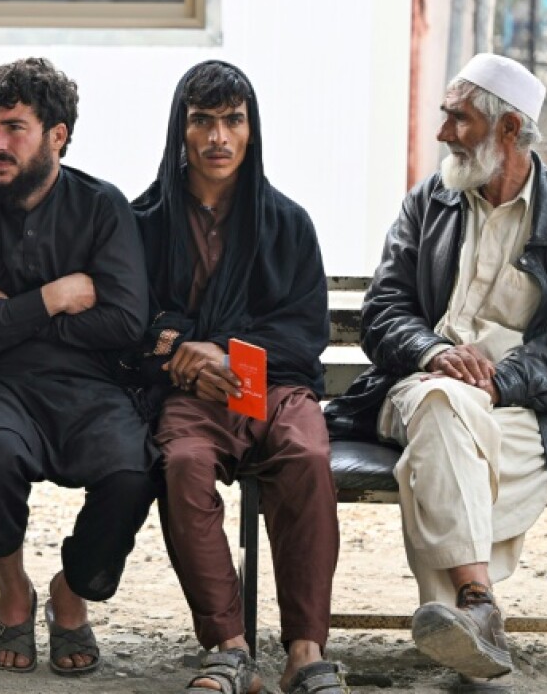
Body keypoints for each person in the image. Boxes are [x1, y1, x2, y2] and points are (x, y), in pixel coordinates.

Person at [326, 53, 547, 682]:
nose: (442, 133)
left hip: (520, 410)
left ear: (509, 130)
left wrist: (502, 379)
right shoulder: (431, 201)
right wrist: (433, 352)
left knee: (441, 447)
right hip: (416, 388)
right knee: (438, 403)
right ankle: (479, 605)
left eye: (458, 118)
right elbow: (384, 309)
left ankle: (456, 617)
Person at [0, 57, 157, 676]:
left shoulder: (103, 207)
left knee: (133, 471)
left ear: (57, 135)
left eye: (14, 128)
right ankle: (13, 589)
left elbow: (125, 322)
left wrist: (12, 314)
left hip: (91, 385)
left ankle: (70, 591)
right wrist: (56, 297)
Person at [125, 60, 343, 694]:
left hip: (274, 388)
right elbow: (133, 320)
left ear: (251, 130)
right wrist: (181, 352)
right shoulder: (144, 223)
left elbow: (305, 332)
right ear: (181, 130)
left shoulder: (288, 223)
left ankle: (306, 651)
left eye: (232, 121)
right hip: (191, 396)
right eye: (203, 121)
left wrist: (221, 349)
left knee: (306, 454)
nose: (218, 137)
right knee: (184, 464)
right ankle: (228, 648)